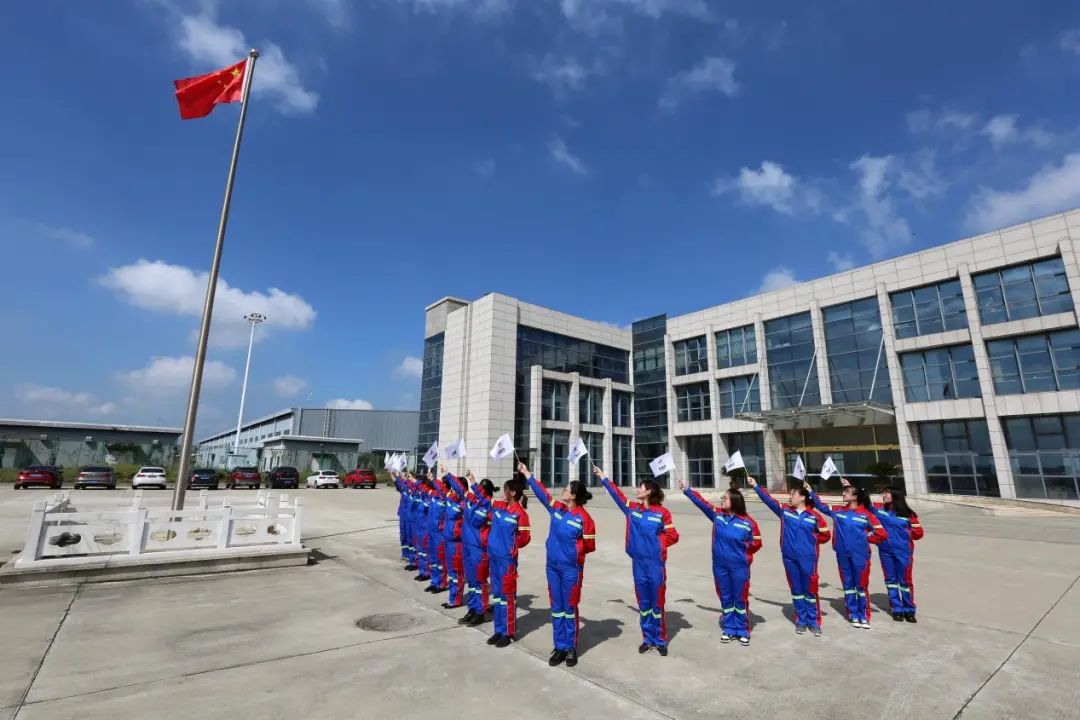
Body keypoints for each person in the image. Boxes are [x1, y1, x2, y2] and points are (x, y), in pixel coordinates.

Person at [595, 466, 679, 656]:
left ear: (649, 492)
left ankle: (660, 640)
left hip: (655, 565)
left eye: (640, 488)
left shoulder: (662, 513)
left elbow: (673, 536)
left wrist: (658, 546)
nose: (637, 490)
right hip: (638, 564)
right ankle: (648, 639)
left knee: (657, 604)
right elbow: (617, 495)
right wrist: (603, 477)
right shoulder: (632, 509)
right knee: (644, 604)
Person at [522, 462, 597, 667]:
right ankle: (560, 646)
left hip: (571, 570)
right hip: (552, 568)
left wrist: (572, 553)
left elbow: (589, 545)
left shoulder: (584, 519)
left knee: (569, 608)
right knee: (556, 608)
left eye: (566, 489)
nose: (563, 490)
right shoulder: (557, 509)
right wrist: (527, 474)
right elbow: (542, 494)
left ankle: (570, 647)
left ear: (573, 496)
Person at [679, 479, 762, 645]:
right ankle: (729, 628)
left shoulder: (748, 523)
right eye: (722, 498)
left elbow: (757, 543)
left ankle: (742, 629)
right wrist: (687, 490)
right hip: (720, 566)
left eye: (725, 498)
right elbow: (702, 503)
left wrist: (742, 554)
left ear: (735, 501)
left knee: (739, 598)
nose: (722, 500)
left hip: (739, 567)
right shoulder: (718, 516)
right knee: (725, 596)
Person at [748, 475, 830, 636]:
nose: (790, 497)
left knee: (810, 591)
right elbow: (769, 501)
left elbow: (826, 535)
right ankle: (801, 620)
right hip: (789, 557)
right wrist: (756, 486)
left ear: (803, 497)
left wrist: (809, 543)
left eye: (793, 494)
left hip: (808, 559)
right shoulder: (785, 511)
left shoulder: (814, 516)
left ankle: (814, 622)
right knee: (797, 590)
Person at [804, 479, 887, 629]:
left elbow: (881, 534)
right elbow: (821, 506)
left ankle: (864, 615)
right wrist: (810, 491)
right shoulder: (838, 511)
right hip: (842, 554)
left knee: (861, 585)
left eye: (847, 492)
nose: (843, 494)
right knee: (848, 585)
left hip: (860, 555)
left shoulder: (867, 515)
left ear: (856, 496)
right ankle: (853, 614)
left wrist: (865, 538)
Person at [483, 475, 531, 648]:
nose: (503, 492)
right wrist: (472, 482)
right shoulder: (499, 506)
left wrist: (510, 546)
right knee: (497, 596)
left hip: (507, 560)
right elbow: (482, 498)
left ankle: (509, 633)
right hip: (494, 558)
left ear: (513, 493)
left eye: (505, 489)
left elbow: (525, 538)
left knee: (507, 596)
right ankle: (499, 630)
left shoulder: (520, 514)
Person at [868, 482, 924, 623]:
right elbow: (865, 503)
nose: (884, 495)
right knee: (891, 581)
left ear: (896, 495)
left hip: (903, 553)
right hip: (885, 552)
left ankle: (909, 610)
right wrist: (850, 486)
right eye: (884, 493)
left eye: (887, 493)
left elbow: (918, 533)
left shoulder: (909, 515)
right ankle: (897, 609)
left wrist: (905, 536)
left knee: (905, 582)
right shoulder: (880, 510)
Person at [450, 471, 496, 627]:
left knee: (479, 582)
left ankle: (480, 612)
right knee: (471, 581)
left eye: (480, 489)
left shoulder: (489, 506)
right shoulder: (471, 500)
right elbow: (459, 489)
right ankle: (472, 609)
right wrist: (448, 475)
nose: (477, 491)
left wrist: (474, 484)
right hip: (467, 547)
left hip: (479, 549)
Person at [437, 470, 467, 609]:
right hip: (448, 541)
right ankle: (452, 598)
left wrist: (449, 476)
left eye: (455, 487)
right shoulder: (451, 500)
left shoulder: (463, 504)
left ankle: (456, 600)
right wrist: (434, 479)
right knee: (451, 572)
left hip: (457, 543)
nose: (452, 489)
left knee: (457, 572)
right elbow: (440, 489)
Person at [425, 471, 448, 594]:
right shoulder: (434, 496)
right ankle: (434, 581)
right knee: (433, 559)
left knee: (440, 561)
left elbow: (442, 490)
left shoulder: (444, 498)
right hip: (431, 532)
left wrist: (434, 479)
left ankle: (441, 583)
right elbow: (421, 488)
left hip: (439, 534)